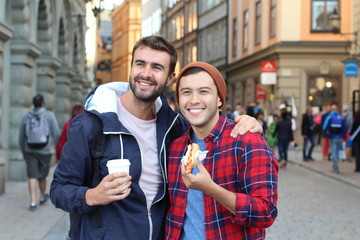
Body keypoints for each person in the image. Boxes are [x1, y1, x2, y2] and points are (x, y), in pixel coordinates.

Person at [50, 35, 263, 240]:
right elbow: (59, 189)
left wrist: (247, 122)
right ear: (131, 68)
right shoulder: (90, 125)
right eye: (140, 64)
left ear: (170, 78)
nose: (146, 74)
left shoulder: (175, 128)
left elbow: (206, 119)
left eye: (157, 67)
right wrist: (92, 196)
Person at [165, 62, 278, 239]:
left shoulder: (247, 141)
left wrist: (211, 189)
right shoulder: (176, 148)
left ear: (219, 99)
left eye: (203, 91)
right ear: (178, 100)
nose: (194, 99)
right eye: (186, 92)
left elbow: (265, 212)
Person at [18, 94, 60, 210]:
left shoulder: (26, 116)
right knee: (42, 176)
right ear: (43, 104)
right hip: (45, 151)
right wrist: (58, 152)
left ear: (33, 104)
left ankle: (32, 201)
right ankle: (42, 196)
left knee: (31, 175)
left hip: (30, 150)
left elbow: (21, 136)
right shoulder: (49, 115)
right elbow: (56, 134)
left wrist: (23, 152)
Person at [323, 104, 347, 173]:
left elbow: (325, 127)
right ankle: (335, 167)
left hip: (333, 137)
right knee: (338, 152)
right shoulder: (341, 117)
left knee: (334, 153)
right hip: (340, 137)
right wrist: (342, 135)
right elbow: (345, 128)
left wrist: (328, 132)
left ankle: (336, 168)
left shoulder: (330, 117)